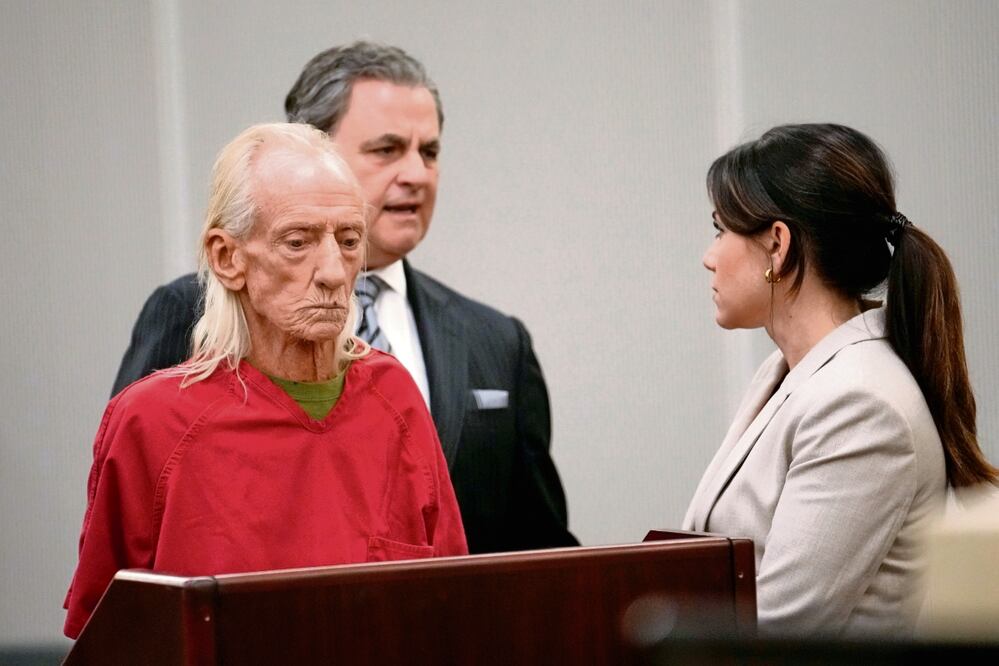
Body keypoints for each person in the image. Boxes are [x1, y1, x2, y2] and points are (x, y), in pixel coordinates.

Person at [110, 42, 577, 554]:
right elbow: (132, 524)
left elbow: (541, 546)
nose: (417, 174)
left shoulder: (496, 340)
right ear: (308, 151)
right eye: (386, 149)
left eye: (430, 152)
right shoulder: (189, 311)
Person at [64, 123, 467, 638]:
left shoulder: (394, 398)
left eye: (348, 241)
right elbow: (105, 639)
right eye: (297, 242)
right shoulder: (153, 422)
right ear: (227, 257)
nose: (332, 271)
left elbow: (453, 607)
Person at [683, 123, 997, 637]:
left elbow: (781, 636)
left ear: (777, 246)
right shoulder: (791, 371)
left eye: (721, 229)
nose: (709, 255)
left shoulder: (860, 402)